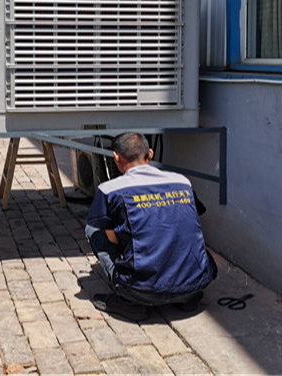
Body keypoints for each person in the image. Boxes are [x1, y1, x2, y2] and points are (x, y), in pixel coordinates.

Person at [85, 132, 217, 320]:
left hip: (141, 291)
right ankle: (186, 296)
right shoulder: (182, 181)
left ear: (116, 157)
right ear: (150, 154)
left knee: (94, 230)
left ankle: (129, 302)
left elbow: (112, 239)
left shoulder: (109, 190)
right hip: (196, 283)